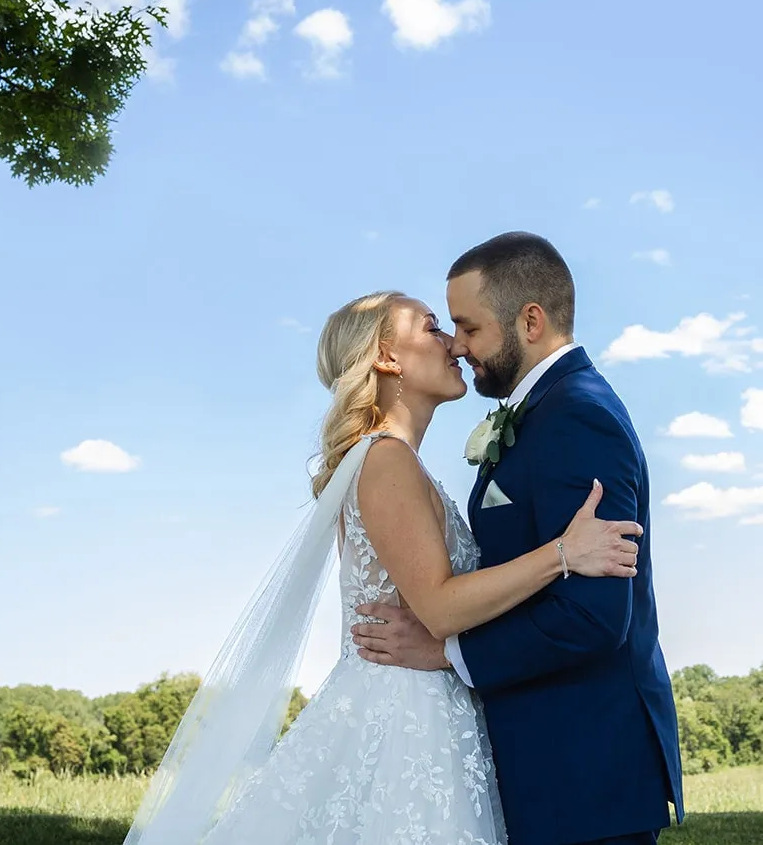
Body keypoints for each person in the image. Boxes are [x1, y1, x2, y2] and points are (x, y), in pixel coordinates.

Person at [123, 288, 641, 845]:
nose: (454, 344)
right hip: (405, 723)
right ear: (388, 358)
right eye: (432, 327)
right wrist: (563, 553)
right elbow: (439, 608)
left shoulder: (395, 460)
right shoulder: (386, 458)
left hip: (425, 704)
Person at [352, 233, 684, 845]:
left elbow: (593, 617)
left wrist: (448, 653)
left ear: (529, 320)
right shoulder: (544, 414)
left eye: (468, 327)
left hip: (582, 773)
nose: (457, 344)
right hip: (549, 768)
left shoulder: (576, 415)